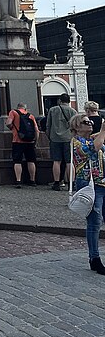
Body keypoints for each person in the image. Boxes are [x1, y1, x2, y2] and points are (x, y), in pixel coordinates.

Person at [69, 113, 105, 274]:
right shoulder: (77, 142)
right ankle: (94, 258)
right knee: (95, 222)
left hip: (102, 183)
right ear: (76, 127)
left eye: (90, 121)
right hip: (90, 185)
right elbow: (92, 149)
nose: (90, 123)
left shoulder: (92, 138)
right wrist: (103, 129)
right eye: (85, 122)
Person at [6, 102, 40, 188]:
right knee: (31, 160)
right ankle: (32, 180)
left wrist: (12, 128)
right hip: (30, 141)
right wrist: (35, 141)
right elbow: (37, 131)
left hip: (17, 140)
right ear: (25, 108)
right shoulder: (30, 116)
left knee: (17, 161)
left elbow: (8, 123)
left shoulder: (13, 112)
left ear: (18, 107)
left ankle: (18, 181)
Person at [46, 93, 75, 190]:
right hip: (68, 139)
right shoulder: (73, 111)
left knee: (56, 161)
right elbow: (75, 127)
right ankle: (72, 184)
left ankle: (57, 183)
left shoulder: (52, 110)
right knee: (69, 162)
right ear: (69, 101)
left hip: (55, 139)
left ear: (59, 100)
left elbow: (48, 125)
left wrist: (49, 136)